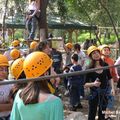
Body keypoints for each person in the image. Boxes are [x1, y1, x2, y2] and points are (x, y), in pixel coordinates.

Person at [10, 52, 64, 120]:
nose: (53, 69)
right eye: (51, 67)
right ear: (46, 73)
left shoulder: (19, 95)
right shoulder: (55, 102)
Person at [84, 46, 114, 120]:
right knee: (92, 114)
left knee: (102, 114)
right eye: (93, 53)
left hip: (104, 93)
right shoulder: (89, 68)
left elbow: (110, 78)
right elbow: (84, 84)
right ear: (91, 56)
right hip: (94, 94)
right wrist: (93, 84)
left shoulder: (105, 65)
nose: (96, 54)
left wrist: (112, 88)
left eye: (97, 52)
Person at [99, 44, 116, 119]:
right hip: (100, 83)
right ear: (101, 51)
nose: (106, 51)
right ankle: (102, 116)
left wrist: (116, 80)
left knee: (111, 99)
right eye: (104, 50)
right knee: (102, 101)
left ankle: (107, 115)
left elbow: (113, 73)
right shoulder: (99, 60)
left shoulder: (111, 61)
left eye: (108, 50)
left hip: (108, 82)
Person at [0, 54, 13, 120]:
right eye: (1, 69)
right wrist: (8, 104)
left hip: (9, 117)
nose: (4, 72)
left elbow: (13, 105)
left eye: (5, 70)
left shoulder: (9, 84)